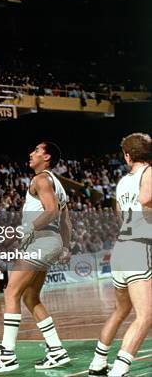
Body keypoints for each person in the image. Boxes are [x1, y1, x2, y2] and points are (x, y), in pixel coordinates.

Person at [0, 142, 72, 374]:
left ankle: (7, 356)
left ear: (47, 157)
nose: (31, 153)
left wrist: (26, 230)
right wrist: (65, 247)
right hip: (49, 241)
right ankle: (56, 350)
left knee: (11, 292)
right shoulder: (58, 184)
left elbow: (51, 211)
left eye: (36, 151)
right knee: (31, 297)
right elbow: (65, 221)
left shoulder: (41, 179)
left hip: (41, 241)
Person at [88, 133, 151, 377]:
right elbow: (146, 199)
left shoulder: (123, 181)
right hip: (139, 247)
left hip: (122, 247)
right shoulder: (149, 173)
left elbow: (119, 216)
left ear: (128, 155)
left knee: (121, 310)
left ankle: (97, 362)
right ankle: (119, 370)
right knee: (146, 315)